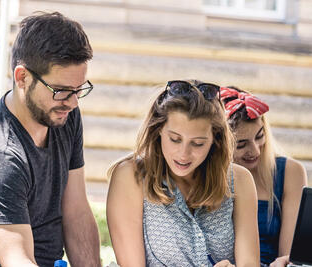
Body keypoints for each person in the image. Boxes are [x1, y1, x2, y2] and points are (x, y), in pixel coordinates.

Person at [0, 12, 100, 267]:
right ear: (22, 77)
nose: (72, 102)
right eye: (60, 91)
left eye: (78, 90)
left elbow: (76, 211)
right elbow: (17, 261)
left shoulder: (64, 115)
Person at [106, 80, 260, 267]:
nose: (183, 154)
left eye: (197, 143)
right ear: (158, 130)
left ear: (215, 140)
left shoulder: (240, 180)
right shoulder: (131, 177)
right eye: (175, 139)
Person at [217, 87, 306, 267]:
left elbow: (288, 256)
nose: (255, 150)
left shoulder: (290, 172)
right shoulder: (210, 177)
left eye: (260, 136)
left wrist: (285, 262)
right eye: (241, 144)